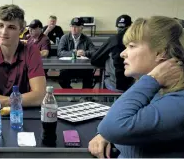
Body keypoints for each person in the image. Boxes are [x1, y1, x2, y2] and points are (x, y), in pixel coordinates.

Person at [89, 16, 184, 158]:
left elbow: (113, 126)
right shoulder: (157, 89)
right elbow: (119, 117)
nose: (123, 53)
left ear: (161, 53)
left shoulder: (178, 100)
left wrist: (152, 79)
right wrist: (105, 135)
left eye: (132, 46)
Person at [0, 4, 46, 111]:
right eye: (0, 25)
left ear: (21, 31)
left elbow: (40, 96)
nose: (4, 32)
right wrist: (23, 99)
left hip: (23, 114)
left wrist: (2, 101)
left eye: (11, 27)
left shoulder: (32, 51)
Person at [91, 14, 134, 92]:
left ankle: (106, 102)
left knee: (104, 79)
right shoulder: (138, 41)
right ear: (131, 26)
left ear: (117, 27)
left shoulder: (113, 40)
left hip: (116, 85)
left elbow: (95, 59)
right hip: (134, 84)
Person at [57, 17, 96, 89]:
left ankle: (85, 96)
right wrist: (74, 53)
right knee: (62, 78)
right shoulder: (65, 38)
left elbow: (94, 52)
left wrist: (85, 53)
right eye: (72, 26)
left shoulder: (86, 39)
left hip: (83, 68)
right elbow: (60, 52)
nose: (73, 29)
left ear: (81, 28)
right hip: (68, 67)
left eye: (76, 27)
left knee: (90, 76)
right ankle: (69, 93)